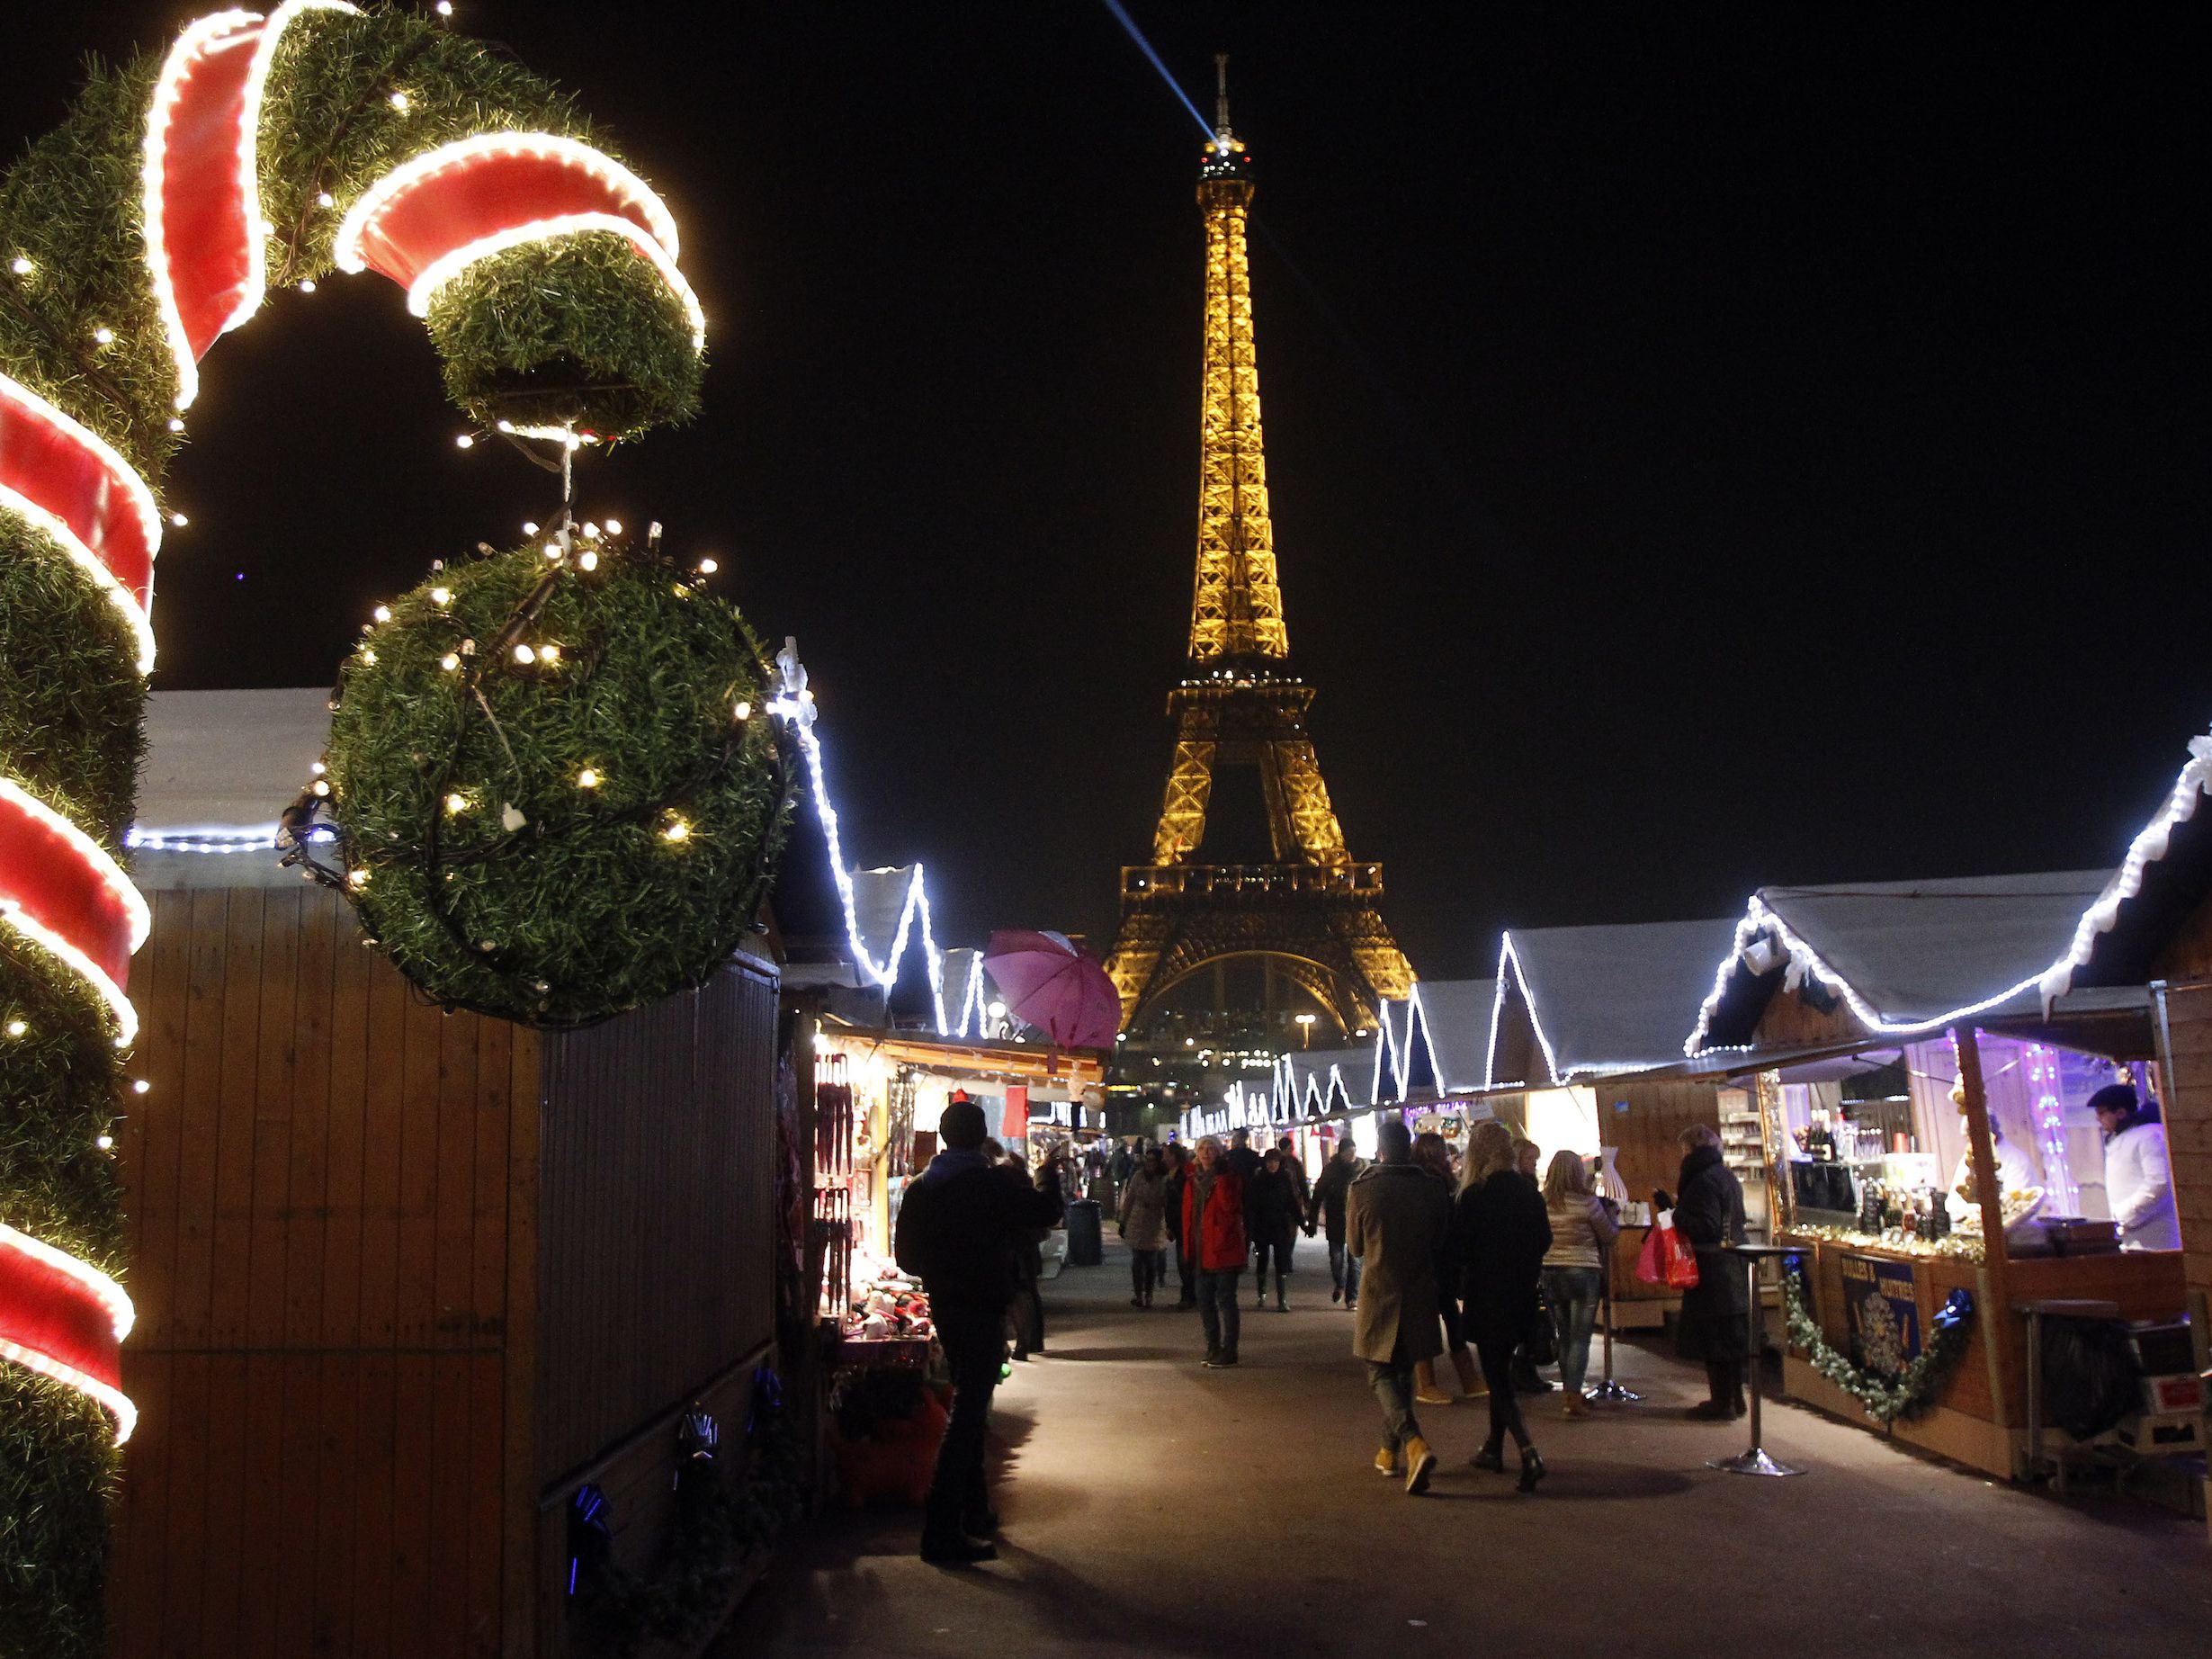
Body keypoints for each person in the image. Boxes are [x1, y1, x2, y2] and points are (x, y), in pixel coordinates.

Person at [893, 1096, 1063, 1565]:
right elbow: (1046, 1212)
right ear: (980, 1136)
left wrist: (942, 1265)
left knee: (970, 1402)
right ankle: (941, 1532)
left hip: (946, 1306)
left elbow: (906, 1258)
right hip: (984, 1305)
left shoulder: (923, 1187)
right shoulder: (992, 1185)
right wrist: (1048, 1172)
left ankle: (975, 1512)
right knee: (969, 1413)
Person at [1347, 1118, 1451, 1493]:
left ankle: (1413, 1441)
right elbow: (1442, 1241)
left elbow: (1356, 1247)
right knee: (1404, 1372)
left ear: (1380, 1148)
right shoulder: (1432, 1188)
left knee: (1378, 1371)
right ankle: (1388, 1452)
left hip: (1380, 1290)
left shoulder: (1364, 1189)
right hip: (1420, 1290)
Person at [1456, 1119, 1551, 1491]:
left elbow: (1460, 1248)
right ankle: (1493, 1448)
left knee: (1496, 1376)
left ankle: (1528, 1451)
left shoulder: (1475, 1195)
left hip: (1487, 1293)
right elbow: (1544, 1240)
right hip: (1522, 1293)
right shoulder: (1529, 1192)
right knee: (1502, 1368)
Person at [1662, 1121, 1749, 1420]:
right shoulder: (1726, 1176)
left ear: (1691, 1149)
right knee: (1731, 1340)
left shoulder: (1700, 1181)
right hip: (1733, 1266)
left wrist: (1674, 1212)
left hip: (1713, 1271)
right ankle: (1735, 1399)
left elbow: (1705, 1226)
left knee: (1716, 1340)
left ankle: (1721, 1403)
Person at [1541, 1150, 1619, 1416]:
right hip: (1583, 1270)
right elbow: (1608, 1236)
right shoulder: (1588, 1203)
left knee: (1564, 1335)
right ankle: (1573, 1396)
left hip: (1551, 1270)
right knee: (1580, 1339)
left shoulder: (1543, 1202)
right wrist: (1614, 1218)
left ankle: (1569, 1391)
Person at [1410, 1130, 1482, 1404]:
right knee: (1448, 1315)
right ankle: (1462, 1379)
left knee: (1429, 1316)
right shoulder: (1441, 1182)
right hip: (1441, 1259)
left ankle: (1431, 1381)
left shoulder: (1418, 1180)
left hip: (1428, 1260)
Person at [1182, 1135, 1249, 1367]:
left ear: (1220, 1152)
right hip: (1201, 1249)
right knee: (1204, 1301)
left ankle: (1229, 1350)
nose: (1206, 1152)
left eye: (1212, 1148)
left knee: (1226, 1300)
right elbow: (1188, 1214)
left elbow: (1230, 1207)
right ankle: (1213, 1346)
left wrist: (1221, 1178)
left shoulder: (1229, 1177)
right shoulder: (1192, 1178)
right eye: (1202, 1148)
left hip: (1224, 1248)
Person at [2091, 1082, 2181, 1251]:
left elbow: (2159, 1183)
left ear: (2121, 1113)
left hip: (2155, 1237)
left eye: (2102, 1113)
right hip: (2131, 1237)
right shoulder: (2119, 1140)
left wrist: (2126, 1215)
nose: (2098, 1119)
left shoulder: (2149, 1136)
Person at [1508, 1136, 1553, 1394]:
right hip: (1524, 1264)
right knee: (1526, 1317)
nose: (1534, 1164)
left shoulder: (1523, 1186)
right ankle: (1523, 1368)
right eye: (1530, 1159)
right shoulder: (1525, 1190)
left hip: (1521, 1263)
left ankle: (1524, 1367)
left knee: (1525, 1317)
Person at [1310, 1136, 1366, 1309]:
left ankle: (1352, 1297)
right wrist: (1312, 1220)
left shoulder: (1362, 1169)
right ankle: (1340, 1284)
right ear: (1341, 1153)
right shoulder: (1331, 1170)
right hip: (1336, 1220)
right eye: (1348, 1152)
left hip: (1356, 1221)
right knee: (1336, 1259)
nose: (1352, 1155)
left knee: (1355, 1261)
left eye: (1354, 1152)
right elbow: (1318, 1194)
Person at [1246, 1147, 1305, 1311]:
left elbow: (1292, 1203)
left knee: (1282, 1261)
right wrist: (1249, 1227)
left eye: (1276, 1161)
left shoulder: (1284, 1179)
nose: (1272, 1165)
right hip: (1262, 1226)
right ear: (1265, 1163)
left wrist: (1302, 1223)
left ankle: (1282, 1300)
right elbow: (1250, 1206)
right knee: (1262, 1260)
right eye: (1270, 1161)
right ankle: (1262, 1293)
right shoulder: (1257, 1181)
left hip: (1280, 1225)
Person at [1118, 1144, 1171, 1305]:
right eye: (1147, 1160)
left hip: (1155, 1221)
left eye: (1153, 1160)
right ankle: (1138, 1294)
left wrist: (1169, 1225)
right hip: (1137, 1220)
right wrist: (1123, 1220)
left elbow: (1167, 1203)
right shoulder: (1138, 1176)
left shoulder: (1164, 1178)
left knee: (1151, 1262)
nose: (1149, 1163)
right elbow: (1130, 1199)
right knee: (1137, 1261)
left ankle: (1149, 1294)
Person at [1163, 1142, 1198, 1308]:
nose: (1164, 1158)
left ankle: (1189, 1297)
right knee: (1183, 1262)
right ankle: (1188, 1295)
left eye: (1167, 1155)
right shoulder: (1172, 1173)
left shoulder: (1184, 1174)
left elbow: (1182, 1200)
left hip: (1186, 1223)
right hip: (1177, 1223)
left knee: (1185, 1262)